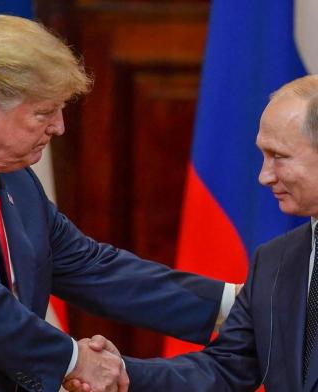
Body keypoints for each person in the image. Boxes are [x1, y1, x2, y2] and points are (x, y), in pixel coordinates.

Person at [0, 15, 239, 392]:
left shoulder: (13, 175)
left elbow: (92, 266)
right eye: (44, 113)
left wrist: (231, 303)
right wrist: (73, 359)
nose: (59, 127)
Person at [85, 74, 318, 392]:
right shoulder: (276, 261)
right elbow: (225, 368)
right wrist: (118, 372)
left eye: (279, 157)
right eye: (263, 156)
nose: (264, 176)